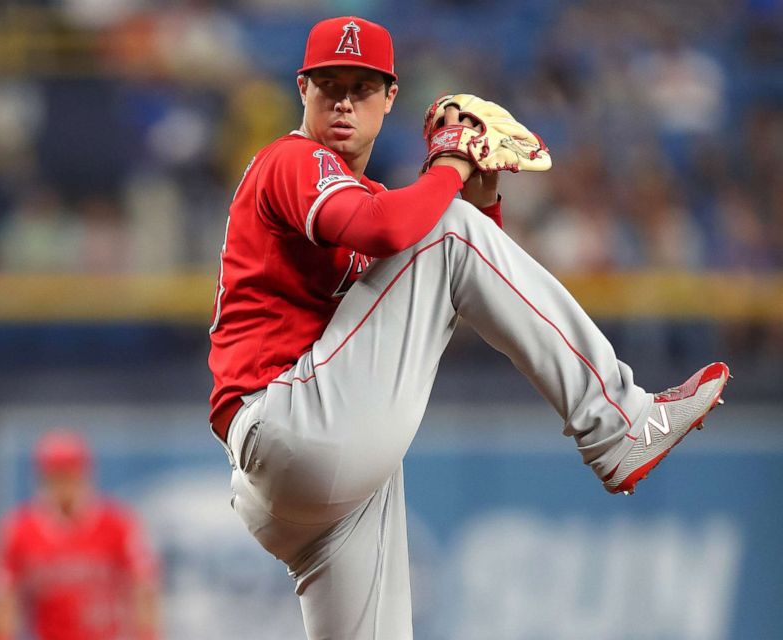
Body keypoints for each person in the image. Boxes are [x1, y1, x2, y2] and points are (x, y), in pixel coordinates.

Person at [206, 15, 730, 640]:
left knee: (452, 226)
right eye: (328, 85)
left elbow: (463, 292)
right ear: (302, 90)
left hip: (312, 477)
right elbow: (399, 230)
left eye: (362, 87)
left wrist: (482, 192)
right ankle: (617, 424)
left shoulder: (379, 199)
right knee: (448, 226)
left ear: (390, 97)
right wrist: (451, 167)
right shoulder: (290, 161)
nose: (344, 101)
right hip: (286, 424)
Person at [0, 430, 159, 640]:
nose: (65, 485)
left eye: (70, 475)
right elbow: (3, 600)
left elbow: (143, 589)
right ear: (43, 478)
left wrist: (148, 636)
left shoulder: (118, 525)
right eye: (56, 476)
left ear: (85, 475)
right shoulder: (19, 531)